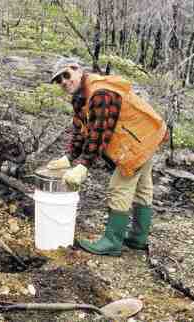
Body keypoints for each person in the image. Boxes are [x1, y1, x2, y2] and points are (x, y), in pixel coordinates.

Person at [47, 58, 167, 256]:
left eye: (66, 75)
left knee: (119, 188)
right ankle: (138, 238)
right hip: (146, 135)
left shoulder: (100, 93)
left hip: (139, 141)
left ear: (77, 69)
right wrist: (69, 157)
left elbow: (100, 132)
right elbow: (81, 129)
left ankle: (112, 242)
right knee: (143, 186)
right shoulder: (80, 96)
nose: (64, 82)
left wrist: (83, 165)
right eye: (58, 80)